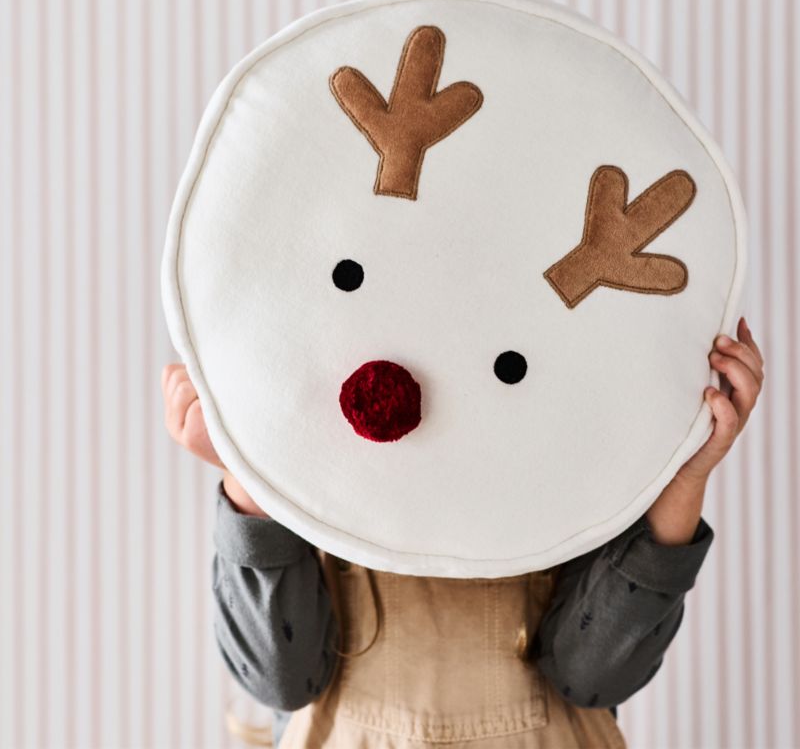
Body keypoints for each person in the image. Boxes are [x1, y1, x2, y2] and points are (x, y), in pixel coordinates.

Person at [162, 316, 764, 748]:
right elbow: (281, 677)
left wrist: (683, 479)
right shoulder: (316, 454)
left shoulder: (567, 452)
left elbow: (592, 676)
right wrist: (248, 472)